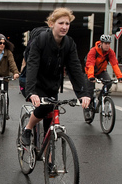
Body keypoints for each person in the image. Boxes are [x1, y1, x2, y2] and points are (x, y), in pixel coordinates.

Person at [21, 8, 91, 146]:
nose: (64, 27)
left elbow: (75, 68)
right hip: (34, 83)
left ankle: (49, 160)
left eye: (67, 23)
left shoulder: (69, 44)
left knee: (50, 123)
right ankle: (28, 129)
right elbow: (32, 66)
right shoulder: (40, 41)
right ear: (52, 23)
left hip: (51, 85)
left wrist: (83, 93)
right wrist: (31, 92)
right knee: (44, 108)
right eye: (61, 23)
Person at [83, 34, 122, 120]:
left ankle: (101, 96)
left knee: (109, 82)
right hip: (90, 72)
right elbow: (90, 64)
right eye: (106, 43)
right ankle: (87, 110)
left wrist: (120, 76)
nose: (107, 45)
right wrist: (91, 76)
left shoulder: (110, 52)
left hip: (101, 71)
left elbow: (114, 64)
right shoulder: (93, 51)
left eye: (109, 43)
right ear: (101, 43)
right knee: (89, 91)